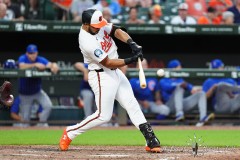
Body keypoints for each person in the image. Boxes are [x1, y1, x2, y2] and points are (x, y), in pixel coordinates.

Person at [59, 8, 161, 153]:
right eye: (96, 27)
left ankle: (151, 139)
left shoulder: (97, 24)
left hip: (116, 73)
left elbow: (115, 30)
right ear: (86, 24)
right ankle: (70, 132)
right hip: (102, 76)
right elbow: (107, 62)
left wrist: (132, 43)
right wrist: (131, 60)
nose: (100, 29)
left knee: (132, 104)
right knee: (103, 116)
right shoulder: (86, 40)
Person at [157, 59, 214, 127]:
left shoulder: (180, 79)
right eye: (179, 67)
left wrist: (193, 89)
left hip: (181, 104)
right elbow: (167, 87)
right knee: (179, 87)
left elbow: (190, 87)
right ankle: (179, 113)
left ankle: (202, 118)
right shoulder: (164, 80)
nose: (181, 68)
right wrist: (178, 85)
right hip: (169, 106)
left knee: (201, 94)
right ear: (173, 68)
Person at [18, 44, 59, 127]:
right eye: (30, 53)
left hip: (37, 91)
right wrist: (35, 65)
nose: (32, 55)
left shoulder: (40, 59)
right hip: (25, 94)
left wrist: (54, 65)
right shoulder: (23, 58)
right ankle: (26, 138)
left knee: (48, 106)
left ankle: (41, 125)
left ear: (36, 53)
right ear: (27, 53)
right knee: (25, 120)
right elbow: (21, 66)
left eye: (33, 53)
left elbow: (51, 64)